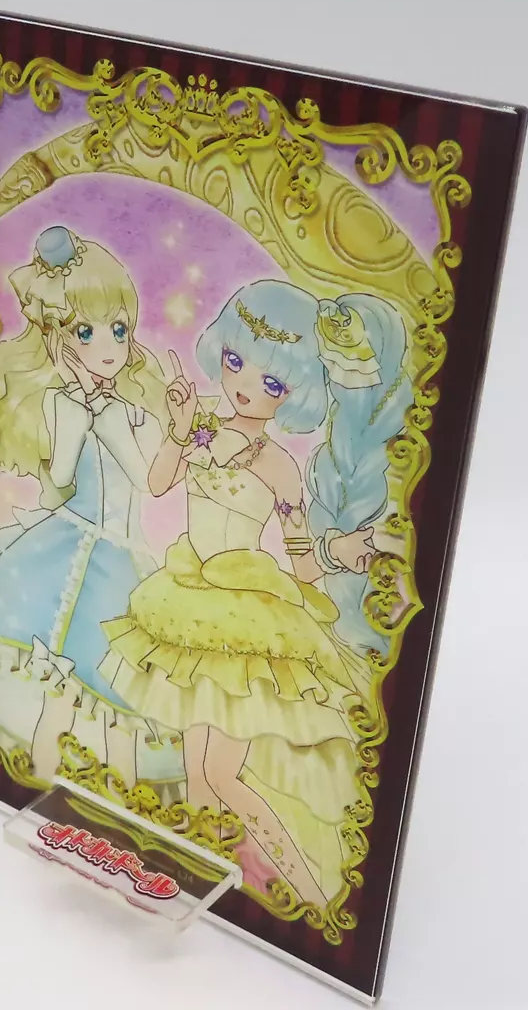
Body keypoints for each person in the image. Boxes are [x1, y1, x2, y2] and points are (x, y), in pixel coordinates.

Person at [99, 279, 412, 905]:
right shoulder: (201, 427)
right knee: (197, 771)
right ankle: (198, 874)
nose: (244, 385)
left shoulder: (279, 467)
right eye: (235, 360)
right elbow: (158, 484)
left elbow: (302, 562)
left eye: (272, 382)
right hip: (189, 605)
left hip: (246, 619)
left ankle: (313, 893)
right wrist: (178, 429)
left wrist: (341, 551)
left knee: (221, 772)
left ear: (297, 394)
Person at [0, 226, 183, 791]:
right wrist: (73, 417)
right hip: (71, 556)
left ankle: (124, 812)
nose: (109, 347)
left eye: (119, 328)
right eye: (85, 331)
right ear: (57, 338)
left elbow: (151, 481)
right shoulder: (64, 405)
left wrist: (175, 431)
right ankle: (36, 791)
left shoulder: (128, 409)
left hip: (120, 564)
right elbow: (59, 487)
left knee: (117, 710)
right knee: (62, 700)